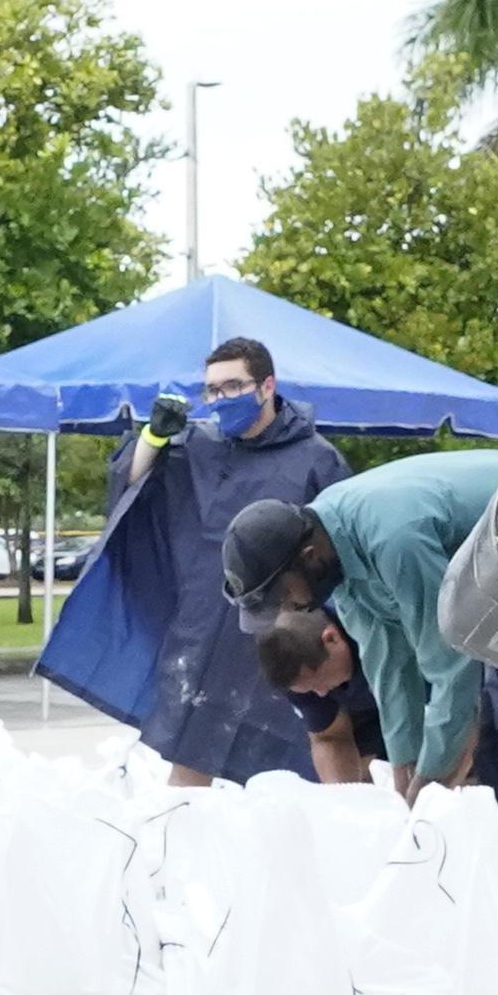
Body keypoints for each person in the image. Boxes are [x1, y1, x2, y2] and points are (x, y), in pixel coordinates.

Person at [42, 336, 346, 786]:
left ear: (267, 386)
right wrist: (153, 434)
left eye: (232, 386)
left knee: (291, 761)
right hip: (200, 630)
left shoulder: (316, 459)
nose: (220, 399)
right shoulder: (198, 447)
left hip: (277, 638)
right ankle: (181, 846)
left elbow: (339, 550)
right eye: (212, 390)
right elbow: (131, 483)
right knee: (193, 752)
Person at [215, 446, 498, 799]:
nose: (288, 611)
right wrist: (404, 765)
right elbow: (386, 659)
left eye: (282, 599)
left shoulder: (394, 540)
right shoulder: (331, 543)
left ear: (308, 558)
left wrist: (431, 781)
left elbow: (451, 659)